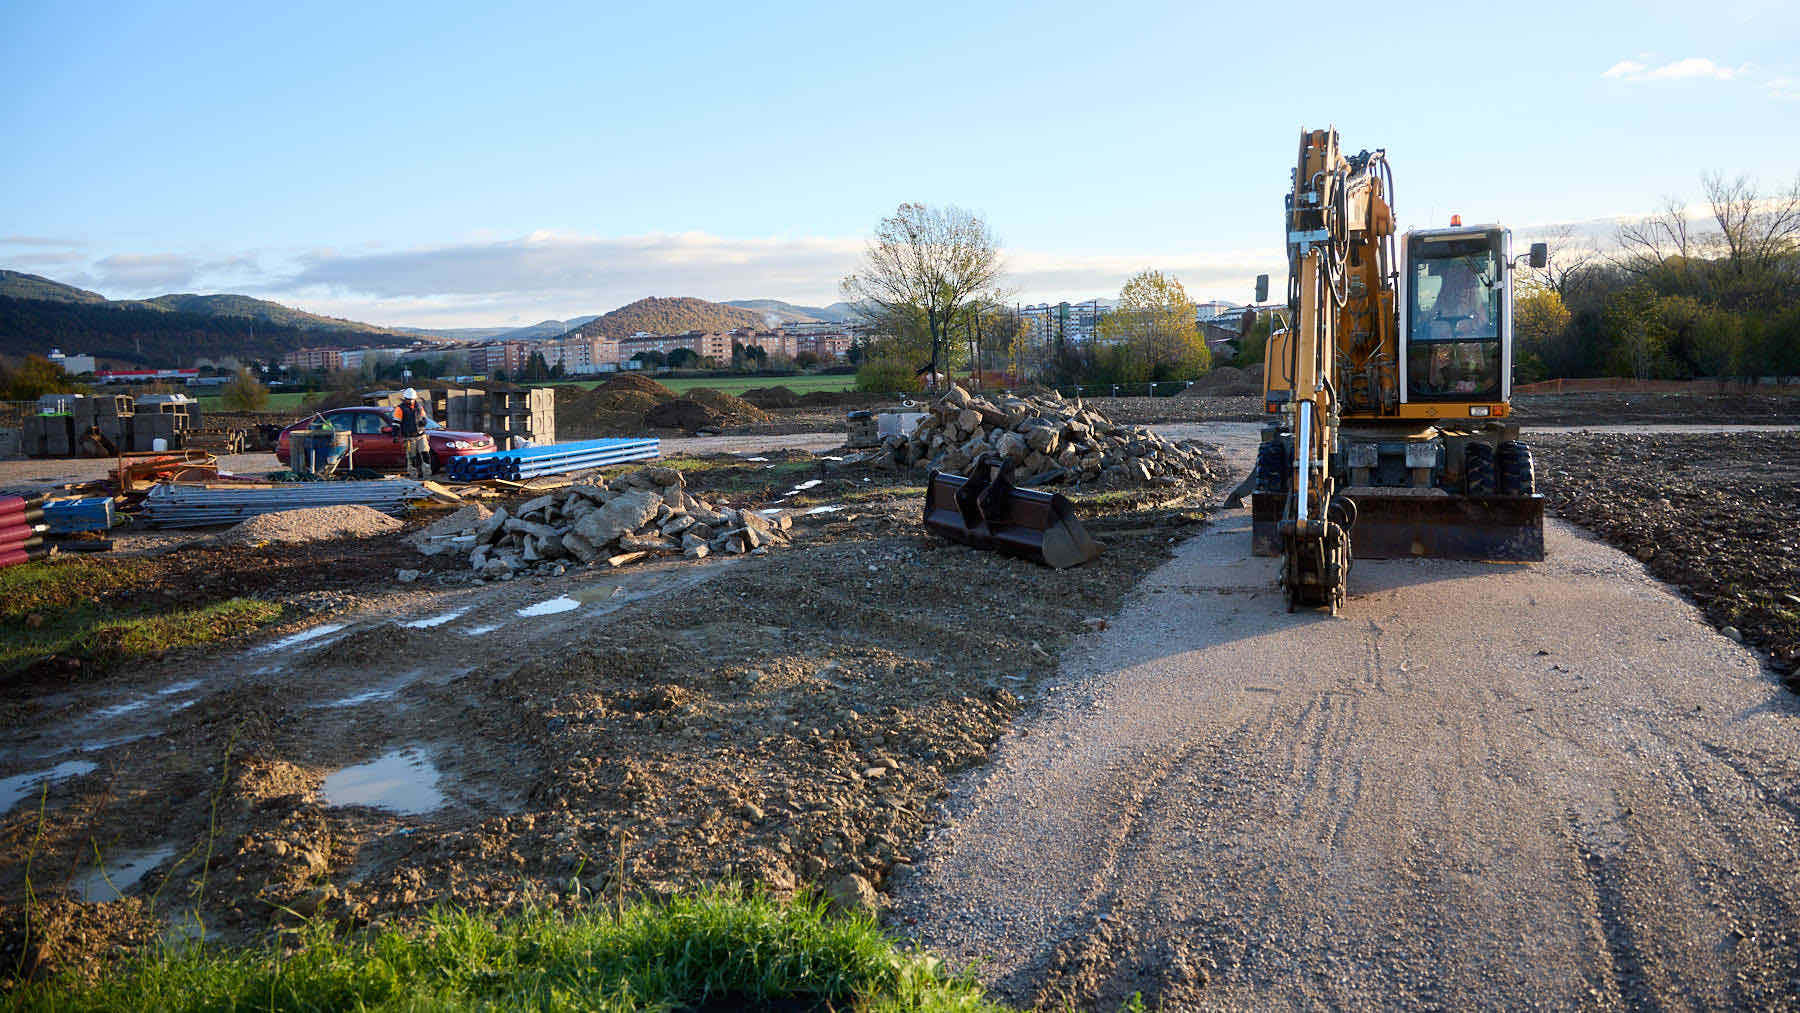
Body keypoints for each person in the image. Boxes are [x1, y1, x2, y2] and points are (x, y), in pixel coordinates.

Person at [394, 388, 432, 478]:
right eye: (408, 399)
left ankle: (427, 475)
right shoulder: (400, 409)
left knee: (425, 454)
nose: (410, 401)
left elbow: (424, 418)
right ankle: (413, 476)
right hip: (409, 437)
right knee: (412, 457)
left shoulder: (419, 407)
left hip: (421, 435)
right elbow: (396, 423)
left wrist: (424, 422)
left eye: (412, 399)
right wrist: (395, 435)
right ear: (405, 398)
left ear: (415, 398)